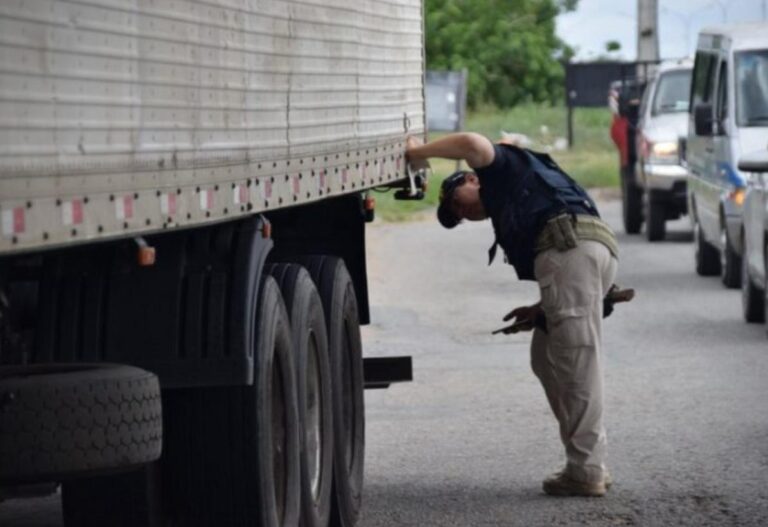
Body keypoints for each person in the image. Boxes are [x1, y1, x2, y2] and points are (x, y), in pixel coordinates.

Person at [406, 132, 620, 497]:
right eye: (456, 217)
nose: (462, 214)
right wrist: (541, 309)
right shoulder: (517, 181)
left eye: (456, 202)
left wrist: (415, 153)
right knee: (546, 357)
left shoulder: (499, 168)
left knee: (576, 362)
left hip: (573, 251)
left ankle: (586, 469)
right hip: (587, 252)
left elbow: (472, 144)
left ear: (472, 180)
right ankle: (586, 459)